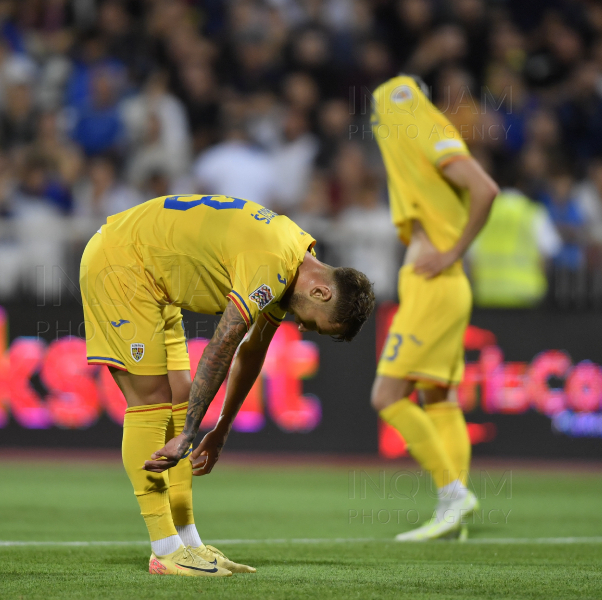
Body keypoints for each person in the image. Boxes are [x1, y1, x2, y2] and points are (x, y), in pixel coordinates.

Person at [80, 194, 375, 576]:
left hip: (156, 279)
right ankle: (164, 549)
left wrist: (219, 429)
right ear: (322, 292)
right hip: (121, 264)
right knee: (150, 399)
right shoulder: (273, 263)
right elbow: (223, 342)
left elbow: (251, 353)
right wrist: (189, 433)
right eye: (316, 323)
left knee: (181, 397)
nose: (303, 327)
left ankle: (188, 542)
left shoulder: (294, 260)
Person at [370, 75, 499, 541]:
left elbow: (486, 188)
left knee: (386, 397)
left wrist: (452, 251)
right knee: (439, 399)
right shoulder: (423, 144)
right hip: (443, 285)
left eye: (382, 111)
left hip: (435, 284)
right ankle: (454, 514)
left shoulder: (429, 132)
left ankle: (453, 495)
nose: (379, 121)